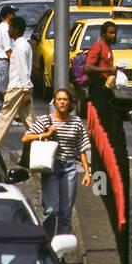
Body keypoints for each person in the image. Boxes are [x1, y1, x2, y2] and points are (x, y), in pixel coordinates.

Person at [24, 88, 92, 237]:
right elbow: (26, 138)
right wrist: (46, 134)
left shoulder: (76, 122)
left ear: (70, 103)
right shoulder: (45, 120)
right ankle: (47, 243)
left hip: (69, 167)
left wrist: (87, 172)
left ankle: (60, 253)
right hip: (51, 168)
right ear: (54, 103)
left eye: (65, 99)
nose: (62, 102)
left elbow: (81, 148)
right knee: (50, 210)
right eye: (59, 99)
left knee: (66, 213)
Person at [0, 16, 34, 149]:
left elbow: (23, 69)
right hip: (19, 87)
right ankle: (42, 144)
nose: (8, 30)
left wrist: (26, 90)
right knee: (31, 122)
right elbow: (17, 70)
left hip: (19, 89)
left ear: (16, 30)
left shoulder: (21, 46)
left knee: (2, 120)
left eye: (10, 28)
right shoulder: (21, 45)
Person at [84, 20, 120, 130]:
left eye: (114, 33)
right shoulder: (98, 47)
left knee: (108, 116)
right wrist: (108, 69)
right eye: (110, 33)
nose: (113, 35)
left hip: (106, 86)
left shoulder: (107, 47)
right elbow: (88, 67)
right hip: (97, 86)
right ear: (103, 34)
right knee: (99, 117)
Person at [0, 5, 16, 123]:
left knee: (8, 91)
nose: (15, 15)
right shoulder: (5, 29)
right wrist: (16, 65)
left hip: (2, 61)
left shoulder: (2, 26)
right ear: (8, 15)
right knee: (1, 90)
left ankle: (8, 117)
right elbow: (8, 50)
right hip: (3, 62)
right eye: (13, 13)